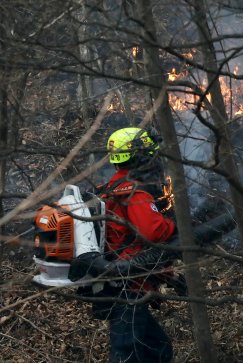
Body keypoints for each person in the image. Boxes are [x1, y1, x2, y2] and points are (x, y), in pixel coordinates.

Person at [71, 127, 177, 363]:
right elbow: (153, 231)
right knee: (126, 354)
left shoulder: (113, 186)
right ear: (140, 157)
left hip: (122, 281)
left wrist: (168, 275)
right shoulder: (135, 192)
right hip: (127, 286)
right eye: (150, 154)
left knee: (158, 349)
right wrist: (174, 225)